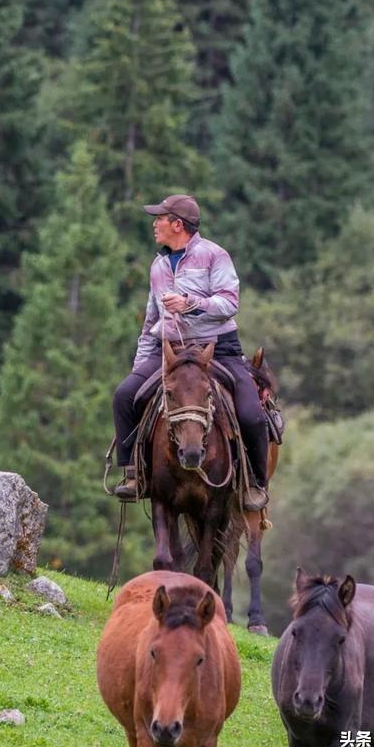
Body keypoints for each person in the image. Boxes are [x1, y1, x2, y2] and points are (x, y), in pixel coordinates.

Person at [112, 194, 269, 511]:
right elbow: (151, 321)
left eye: (160, 218)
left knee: (251, 414)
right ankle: (133, 474)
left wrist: (190, 304)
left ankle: (255, 483)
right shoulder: (158, 265)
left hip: (218, 349)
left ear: (177, 225)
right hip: (169, 350)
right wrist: (140, 365)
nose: (155, 224)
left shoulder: (214, 255)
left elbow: (229, 303)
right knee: (124, 396)